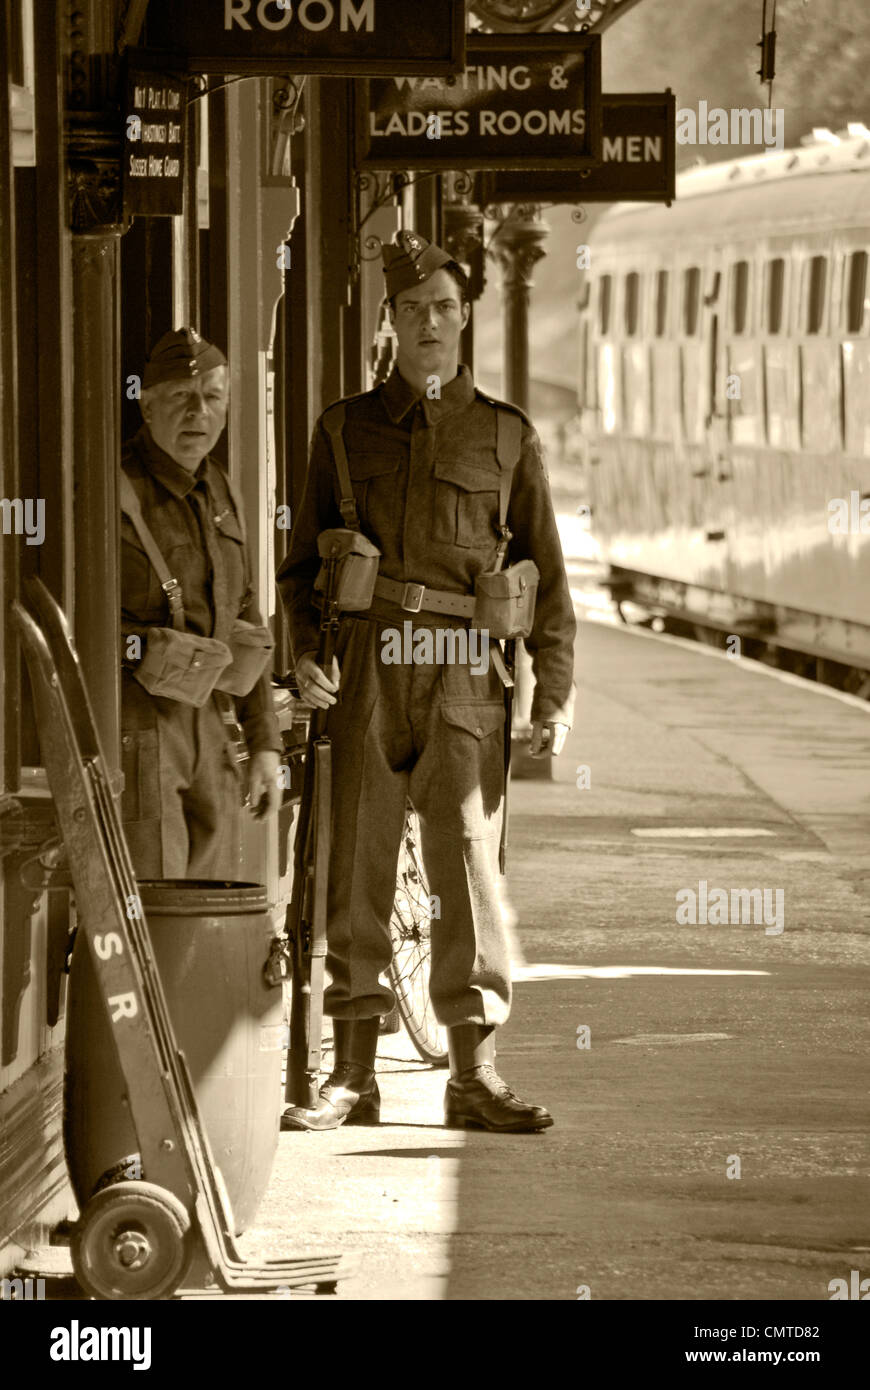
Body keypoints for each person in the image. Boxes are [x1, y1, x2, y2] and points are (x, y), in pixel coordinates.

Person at [277, 232, 575, 1133]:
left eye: (445, 307)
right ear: (391, 321)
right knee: (355, 870)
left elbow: (548, 579)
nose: (431, 323)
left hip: (463, 677)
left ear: (465, 315)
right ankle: (353, 1077)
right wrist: (304, 656)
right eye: (414, 309)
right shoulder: (341, 429)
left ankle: (472, 1075)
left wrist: (551, 695)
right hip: (367, 666)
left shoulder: (507, 435)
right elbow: (298, 572)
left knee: (466, 871)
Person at [120, 328, 282, 879]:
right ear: (146, 405)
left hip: (212, 725)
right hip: (137, 727)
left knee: (212, 900)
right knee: (152, 903)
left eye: (212, 398)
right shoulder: (113, 490)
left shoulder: (222, 490)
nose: (199, 413)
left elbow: (247, 621)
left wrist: (265, 746)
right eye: (181, 398)